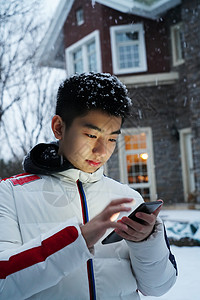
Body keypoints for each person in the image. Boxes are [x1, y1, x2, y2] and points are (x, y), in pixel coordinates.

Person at [0, 72, 177, 299]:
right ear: (59, 127)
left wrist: (145, 242)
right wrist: (77, 240)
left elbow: (159, 287)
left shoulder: (129, 198)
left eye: (112, 139)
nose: (102, 151)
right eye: (91, 135)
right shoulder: (9, 193)